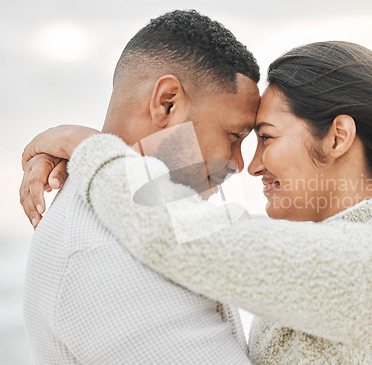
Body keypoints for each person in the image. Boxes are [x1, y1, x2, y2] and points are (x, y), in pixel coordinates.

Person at [22, 42, 372, 364]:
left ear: (338, 136)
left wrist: (92, 148)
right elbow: (197, 197)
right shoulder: (370, 243)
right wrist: (125, 142)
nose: (249, 165)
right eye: (240, 138)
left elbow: (186, 237)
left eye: (263, 138)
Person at [20, 10, 261, 364]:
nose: (239, 164)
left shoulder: (143, 216)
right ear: (167, 103)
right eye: (234, 135)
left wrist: (89, 145)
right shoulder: (105, 253)